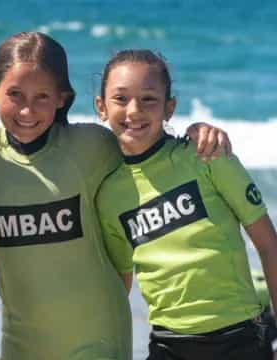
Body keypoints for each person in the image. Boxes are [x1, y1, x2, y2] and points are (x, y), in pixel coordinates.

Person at [0, 33, 231, 360]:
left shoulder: (92, 145)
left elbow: (147, 140)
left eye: (42, 96)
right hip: (21, 343)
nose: (27, 110)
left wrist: (197, 132)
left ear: (63, 97)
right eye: (15, 94)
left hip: (99, 340)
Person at [95, 49, 277, 360]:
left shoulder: (207, 155)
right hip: (168, 344)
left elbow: (268, 244)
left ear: (170, 107)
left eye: (149, 99)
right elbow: (122, 284)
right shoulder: (109, 194)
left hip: (239, 337)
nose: (134, 111)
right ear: (101, 107)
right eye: (121, 99)